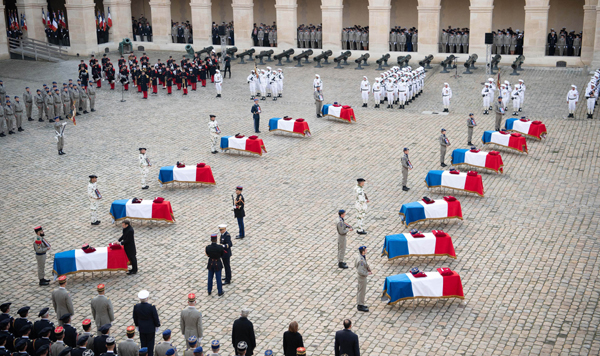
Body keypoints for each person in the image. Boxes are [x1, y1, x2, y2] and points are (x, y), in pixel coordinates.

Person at [133, 290, 160, 356]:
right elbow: (155, 317)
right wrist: (157, 325)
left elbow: (135, 317)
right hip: (150, 329)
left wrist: (137, 325)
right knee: (150, 345)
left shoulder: (136, 307)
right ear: (147, 298)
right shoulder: (151, 307)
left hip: (141, 328)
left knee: (143, 343)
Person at [355, 246, 371, 312]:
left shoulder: (361, 257)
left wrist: (368, 269)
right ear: (363, 251)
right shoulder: (360, 260)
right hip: (362, 277)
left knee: (361, 290)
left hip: (362, 277)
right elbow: (360, 271)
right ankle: (360, 305)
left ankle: (361, 303)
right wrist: (367, 273)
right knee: (361, 291)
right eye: (365, 249)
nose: (366, 250)